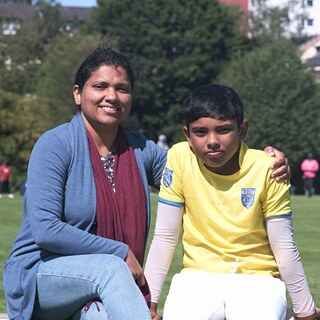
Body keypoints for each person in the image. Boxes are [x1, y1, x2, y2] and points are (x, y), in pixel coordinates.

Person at [3, 46, 288, 320]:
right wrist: (119, 251)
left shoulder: (140, 150)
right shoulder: (55, 144)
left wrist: (259, 161)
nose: (111, 96)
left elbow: (201, 168)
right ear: (78, 94)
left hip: (109, 285)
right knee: (112, 267)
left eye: (122, 88)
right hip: (43, 276)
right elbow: (45, 230)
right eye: (100, 86)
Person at [144, 84, 320, 320]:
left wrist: (305, 310)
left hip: (258, 279)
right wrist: (148, 301)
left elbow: (284, 245)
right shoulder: (178, 157)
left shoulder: (269, 167)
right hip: (197, 277)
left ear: (242, 129)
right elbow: (165, 236)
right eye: (200, 132)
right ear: (187, 134)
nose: (212, 141)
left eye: (224, 129)